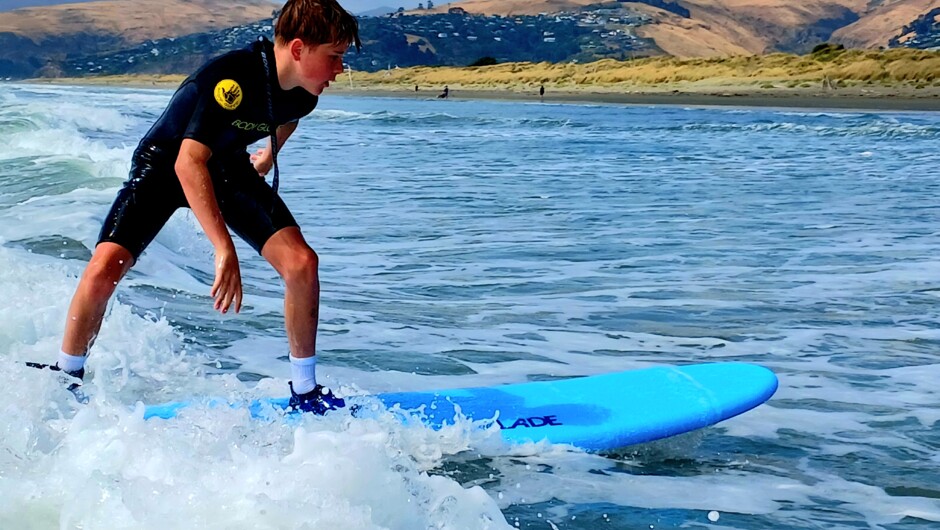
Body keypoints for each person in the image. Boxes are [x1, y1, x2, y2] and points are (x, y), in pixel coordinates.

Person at [49, 0, 361, 415]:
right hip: (164, 164)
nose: (341, 69)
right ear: (300, 49)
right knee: (106, 266)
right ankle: (66, 375)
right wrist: (223, 247)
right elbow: (187, 162)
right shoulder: (232, 78)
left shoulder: (305, 92)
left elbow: (289, 115)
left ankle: (304, 392)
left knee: (302, 263)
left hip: (227, 166)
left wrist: (268, 155)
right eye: (335, 57)